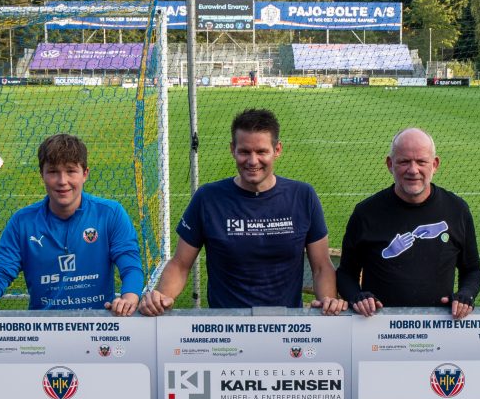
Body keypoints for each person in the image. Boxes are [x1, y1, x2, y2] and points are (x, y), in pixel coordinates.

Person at [140, 107, 343, 313]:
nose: (252, 161)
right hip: (226, 332)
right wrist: (162, 297)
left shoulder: (303, 196)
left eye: (261, 151)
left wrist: (328, 301)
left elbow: (321, 267)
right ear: (232, 149)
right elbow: (180, 264)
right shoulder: (208, 198)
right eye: (245, 151)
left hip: (285, 329)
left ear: (277, 150)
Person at [0, 133, 145, 317]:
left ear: (85, 174)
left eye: (71, 171)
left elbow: (130, 265)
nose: (62, 181)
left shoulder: (110, 214)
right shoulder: (22, 222)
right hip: (43, 332)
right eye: (53, 172)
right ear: (41, 174)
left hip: (98, 327)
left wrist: (129, 297)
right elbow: (1, 272)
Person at [338, 127, 480, 319]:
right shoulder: (366, 213)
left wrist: (466, 295)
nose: (413, 170)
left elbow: (472, 270)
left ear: (435, 164)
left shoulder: (457, 210)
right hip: (377, 330)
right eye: (404, 161)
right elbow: (346, 273)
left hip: (439, 328)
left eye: (421, 162)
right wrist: (357, 297)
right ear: (390, 164)